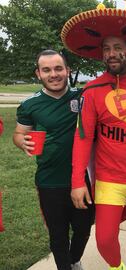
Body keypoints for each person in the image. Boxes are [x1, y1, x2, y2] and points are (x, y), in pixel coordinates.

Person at [61, 4, 126, 270]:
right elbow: (82, 138)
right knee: (105, 238)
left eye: (118, 47)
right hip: (109, 178)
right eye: (106, 49)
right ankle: (117, 267)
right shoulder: (93, 89)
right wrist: (77, 182)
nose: (112, 53)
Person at [13, 50, 95, 270]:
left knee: (84, 228)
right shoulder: (30, 105)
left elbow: (113, 85)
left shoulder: (83, 96)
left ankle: (74, 259)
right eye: (46, 70)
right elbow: (19, 134)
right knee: (58, 234)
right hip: (49, 181)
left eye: (58, 68)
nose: (54, 74)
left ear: (68, 70)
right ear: (38, 74)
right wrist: (22, 142)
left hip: (82, 178)